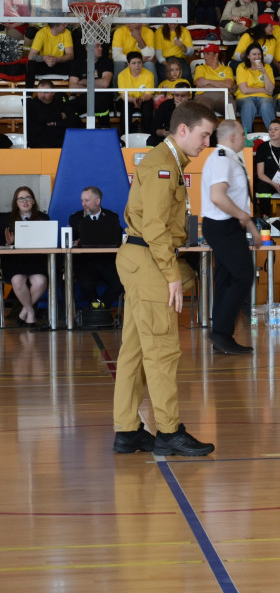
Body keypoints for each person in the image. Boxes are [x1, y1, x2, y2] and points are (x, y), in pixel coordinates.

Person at [112, 101, 217, 456]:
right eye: (204, 135)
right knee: (161, 351)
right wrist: (171, 275)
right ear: (183, 130)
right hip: (149, 262)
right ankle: (169, 432)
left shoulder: (166, 161)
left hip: (140, 260)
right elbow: (156, 227)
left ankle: (127, 430)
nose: (207, 143)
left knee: (136, 351)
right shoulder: (161, 166)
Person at [200, 120, 259, 355]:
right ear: (233, 137)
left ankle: (221, 336)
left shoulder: (225, 157)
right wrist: (245, 218)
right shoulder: (222, 159)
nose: (244, 139)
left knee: (226, 279)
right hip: (223, 225)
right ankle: (221, 333)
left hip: (224, 225)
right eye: (241, 135)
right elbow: (217, 196)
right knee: (243, 276)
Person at [68, 186, 124, 312]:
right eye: (82, 201)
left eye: (86, 200)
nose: (83, 204)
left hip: (108, 263)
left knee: (121, 281)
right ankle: (96, 305)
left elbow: (118, 239)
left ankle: (101, 304)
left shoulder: (112, 217)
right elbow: (70, 241)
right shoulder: (75, 218)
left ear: (97, 201)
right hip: (85, 264)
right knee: (86, 283)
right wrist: (75, 243)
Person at [2, 187, 49, 326]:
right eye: (21, 199)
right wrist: (8, 243)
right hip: (15, 262)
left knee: (40, 281)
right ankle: (30, 312)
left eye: (28, 198)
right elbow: (1, 244)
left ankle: (23, 312)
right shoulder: (5, 220)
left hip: (36, 262)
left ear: (33, 201)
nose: (25, 201)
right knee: (17, 281)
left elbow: (48, 241)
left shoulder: (43, 218)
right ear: (16, 203)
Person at [253, 120, 280, 217]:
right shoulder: (262, 148)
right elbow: (260, 174)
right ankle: (265, 220)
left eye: (276, 129)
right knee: (262, 190)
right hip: (268, 181)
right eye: (270, 129)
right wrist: (274, 184)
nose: (272, 132)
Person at [69, 43, 115, 128]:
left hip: (103, 98)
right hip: (84, 98)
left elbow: (105, 83)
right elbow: (72, 88)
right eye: (97, 46)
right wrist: (93, 86)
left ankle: (104, 131)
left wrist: (85, 81)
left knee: (100, 103)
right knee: (68, 107)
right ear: (87, 48)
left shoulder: (107, 62)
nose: (101, 48)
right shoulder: (77, 63)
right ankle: (81, 131)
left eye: (101, 46)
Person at [25, 80, 83, 148]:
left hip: (59, 141)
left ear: (53, 92)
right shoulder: (32, 104)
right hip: (39, 142)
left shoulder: (60, 104)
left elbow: (75, 121)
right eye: (40, 92)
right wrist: (60, 116)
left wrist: (55, 123)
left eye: (46, 92)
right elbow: (42, 118)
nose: (42, 95)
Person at [234, 44, 276, 134]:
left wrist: (264, 72)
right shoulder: (242, 67)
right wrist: (263, 90)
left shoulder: (267, 67)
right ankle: (246, 135)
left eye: (259, 54)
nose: (257, 57)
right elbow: (244, 90)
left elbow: (270, 89)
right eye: (254, 54)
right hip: (244, 98)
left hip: (264, 99)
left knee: (266, 105)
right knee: (248, 104)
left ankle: (274, 134)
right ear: (248, 56)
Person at [117, 51, 156, 134]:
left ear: (142, 63)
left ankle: (148, 137)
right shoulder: (122, 75)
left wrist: (140, 99)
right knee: (125, 108)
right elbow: (123, 96)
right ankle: (125, 138)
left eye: (139, 62)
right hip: (128, 100)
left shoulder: (149, 75)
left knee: (148, 109)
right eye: (133, 63)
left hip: (144, 99)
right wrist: (133, 100)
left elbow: (149, 95)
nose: (137, 65)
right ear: (128, 64)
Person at [25, 22, 74, 88]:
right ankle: (28, 95)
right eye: (63, 24)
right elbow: (30, 56)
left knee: (74, 64)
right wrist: (44, 58)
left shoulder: (66, 32)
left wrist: (57, 59)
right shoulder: (41, 33)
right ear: (55, 27)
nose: (66, 25)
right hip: (44, 64)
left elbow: (70, 55)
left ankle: (73, 95)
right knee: (31, 64)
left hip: (59, 63)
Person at [193, 44, 236, 116]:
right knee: (202, 110)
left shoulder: (227, 69)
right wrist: (222, 85)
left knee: (230, 106)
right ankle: (206, 127)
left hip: (224, 96)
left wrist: (208, 81)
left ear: (216, 55)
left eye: (208, 54)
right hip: (204, 96)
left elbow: (229, 84)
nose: (205, 57)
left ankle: (231, 125)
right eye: (204, 54)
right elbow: (200, 83)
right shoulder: (200, 68)